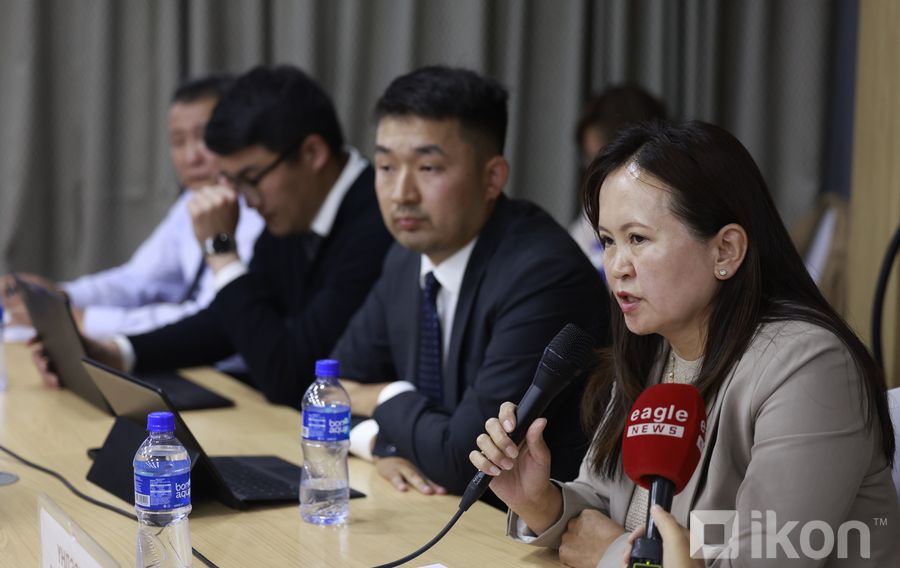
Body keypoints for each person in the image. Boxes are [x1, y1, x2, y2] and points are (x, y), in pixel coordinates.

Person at [470, 121, 899, 566]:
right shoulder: (656, 350)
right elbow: (602, 505)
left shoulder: (810, 367)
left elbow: (765, 559)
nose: (616, 266)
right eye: (608, 241)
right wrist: (540, 501)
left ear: (725, 250)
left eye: (637, 239)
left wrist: (614, 556)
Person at [332, 66, 610, 498]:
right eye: (385, 166)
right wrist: (380, 444)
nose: (401, 193)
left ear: (492, 177)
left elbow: (466, 462)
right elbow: (328, 392)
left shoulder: (542, 274)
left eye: (427, 167)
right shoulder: (406, 259)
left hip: (529, 524)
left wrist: (385, 395)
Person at [43, 65, 393, 406]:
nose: (247, 200)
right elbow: (226, 323)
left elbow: (294, 377)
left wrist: (222, 252)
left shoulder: (378, 222)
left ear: (312, 153)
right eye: (234, 182)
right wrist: (117, 352)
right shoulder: (298, 209)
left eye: (251, 179)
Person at [0, 75, 265, 339]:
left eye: (204, 138)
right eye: (178, 142)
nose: (191, 157)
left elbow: (212, 322)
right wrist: (61, 296)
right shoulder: (192, 201)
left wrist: (82, 320)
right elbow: (138, 280)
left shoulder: (258, 211)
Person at [569, 86, 667, 269]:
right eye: (608, 241)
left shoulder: (667, 202)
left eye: (638, 238)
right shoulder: (595, 206)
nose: (619, 269)